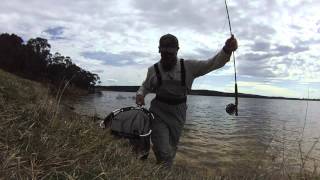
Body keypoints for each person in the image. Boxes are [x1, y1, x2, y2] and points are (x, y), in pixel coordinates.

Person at [136, 33, 238, 168]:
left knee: (171, 148)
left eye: (170, 53)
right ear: (159, 51)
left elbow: (212, 63)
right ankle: (163, 167)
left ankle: (163, 170)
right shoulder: (153, 70)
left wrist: (227, 50)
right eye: (163, 53)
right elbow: (145, 86)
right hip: (158, 112)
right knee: (164, 149)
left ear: (177, 50)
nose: (166, 57)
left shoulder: (189, 66)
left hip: (179, 113)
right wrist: (140, 94)